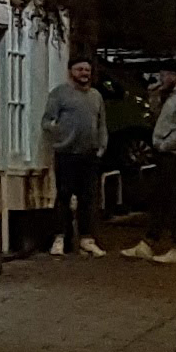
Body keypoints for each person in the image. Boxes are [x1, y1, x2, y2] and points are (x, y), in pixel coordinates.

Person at [125, 65, 176, 263]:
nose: (161, 78)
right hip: (168, 153)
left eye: (164, 74)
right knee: (161, 198)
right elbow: (160, 119)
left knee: (175, 200)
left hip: (175, 155)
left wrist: (165, 145)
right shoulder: (173, 96)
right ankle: (150, 241)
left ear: (175, 75)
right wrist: (154, 98)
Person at [42, 58, 108, 256]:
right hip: (67, 153)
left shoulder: (96, 96)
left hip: (89, 154)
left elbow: (101, 123)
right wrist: (62, 134)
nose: (84, 73)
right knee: (64, 196)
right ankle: (60, 238)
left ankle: (86, 239)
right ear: (71, 71)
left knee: (88, 198)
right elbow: (47, 121)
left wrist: (101, 146)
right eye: (80, 69)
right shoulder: (59, 93)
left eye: (87, 69)